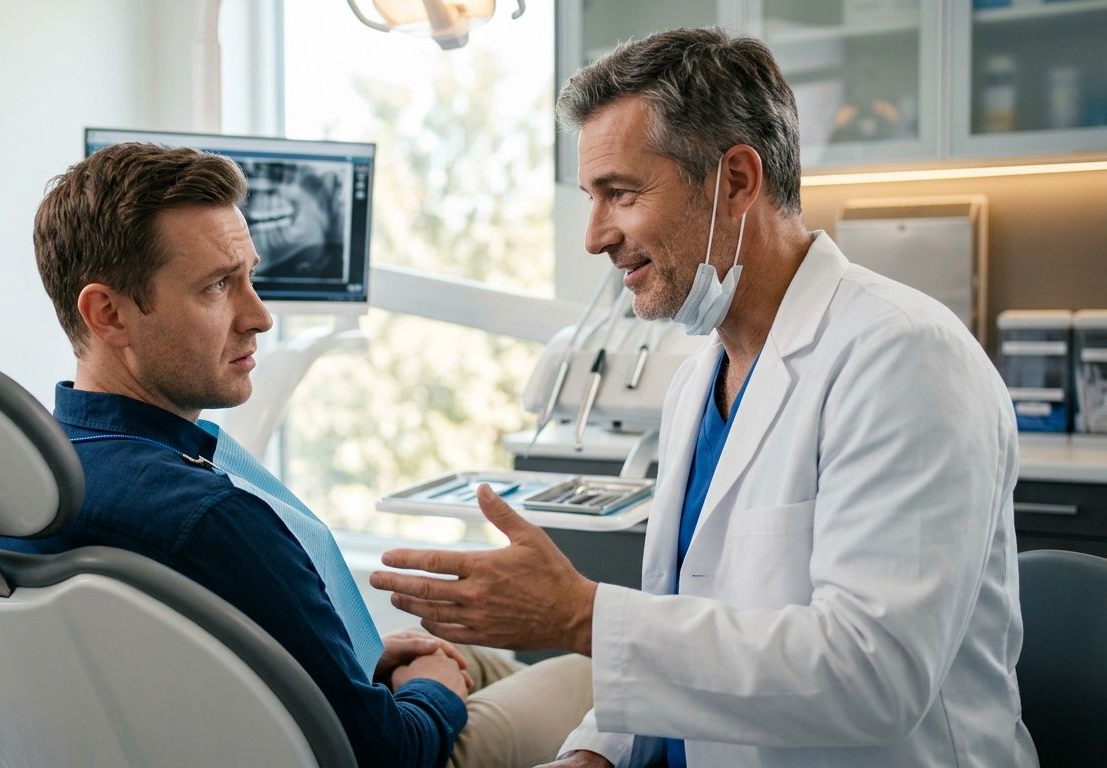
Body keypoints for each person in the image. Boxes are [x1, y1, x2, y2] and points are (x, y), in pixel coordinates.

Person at [370, 27, 1036, 768]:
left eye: (619, 194)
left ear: (739, 182)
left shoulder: (904, 357)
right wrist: (596, 752)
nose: (595, 236)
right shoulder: (699, 376)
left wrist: (578, 615)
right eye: (592, 198)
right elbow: (684, 636)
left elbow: (873, 674)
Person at [3, 141, 593, 768]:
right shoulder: (208, 516)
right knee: (592, 677)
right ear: (108, 313)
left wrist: (361, 664)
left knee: (462, 656)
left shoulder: (28, 478)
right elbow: (389, 751)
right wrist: (433, 690)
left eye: (248, 277)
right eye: (216, 287)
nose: (258, 316)